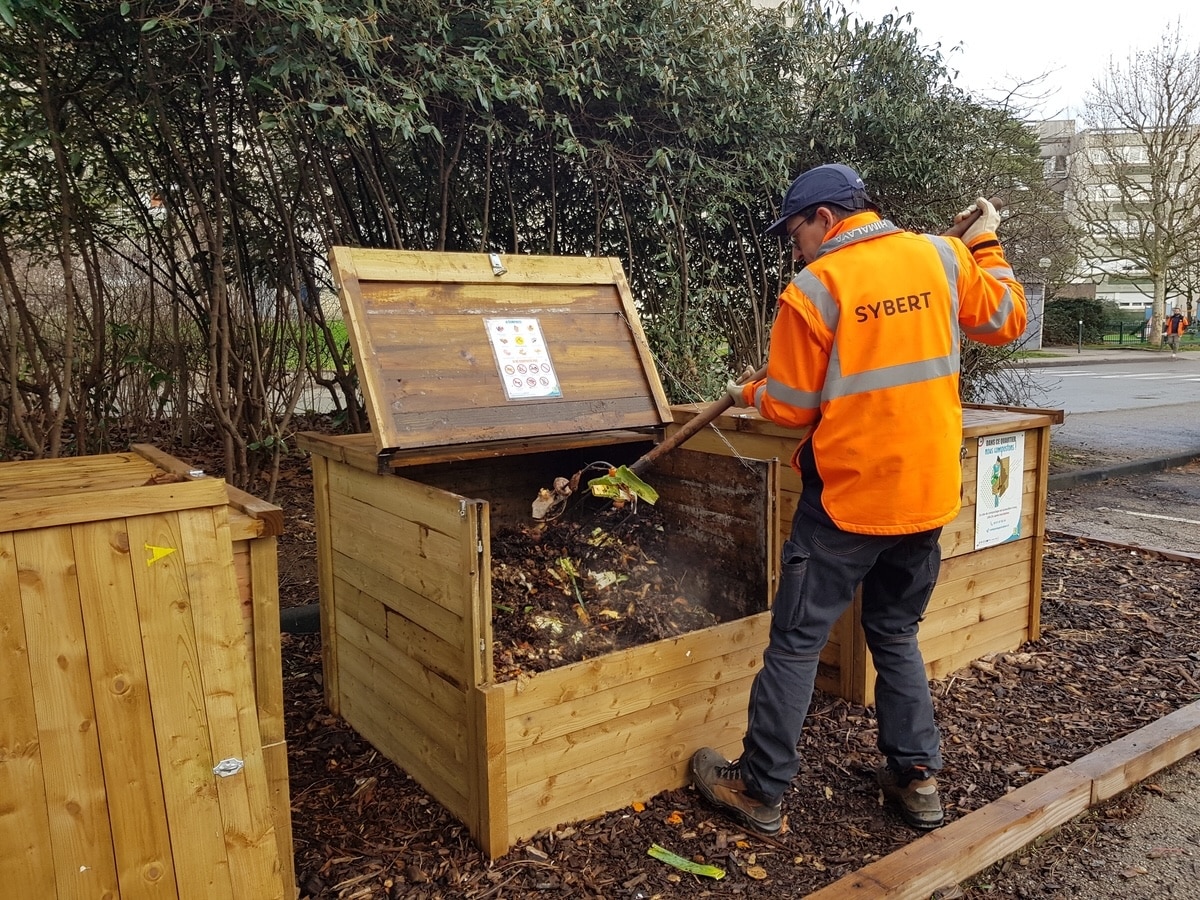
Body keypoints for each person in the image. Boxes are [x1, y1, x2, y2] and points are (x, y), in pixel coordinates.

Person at [689, 163, 1027, 835]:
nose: (794, 248)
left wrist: (750, 392)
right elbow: (1007, 319)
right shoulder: (941, 255)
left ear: (824, 219)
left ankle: (760, 789)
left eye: (794, 233)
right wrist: (984, 243)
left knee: (795, 642)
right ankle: (916, 779)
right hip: (927, 494)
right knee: (895, 631)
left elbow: (788, 407)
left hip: (848, 502)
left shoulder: (814, 288)